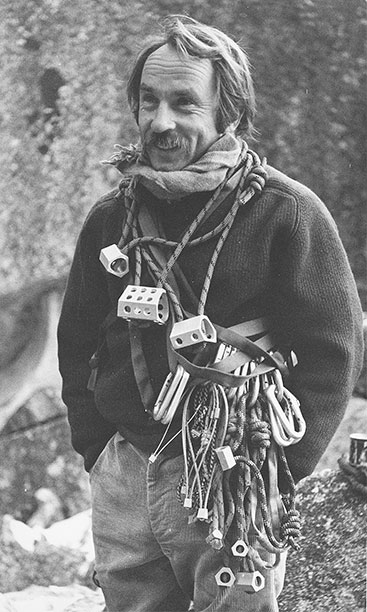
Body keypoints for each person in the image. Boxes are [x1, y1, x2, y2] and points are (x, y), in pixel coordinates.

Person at [57, 15, 363, 612]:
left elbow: (334, 350)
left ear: (230, 113)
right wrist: (96, 448)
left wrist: (278, 472)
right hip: (125, 471)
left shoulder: (285, 213)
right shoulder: (110, 216)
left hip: (235, 474)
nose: (161, 122)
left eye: (184, 104)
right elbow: (77, 338)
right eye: (149, 101)